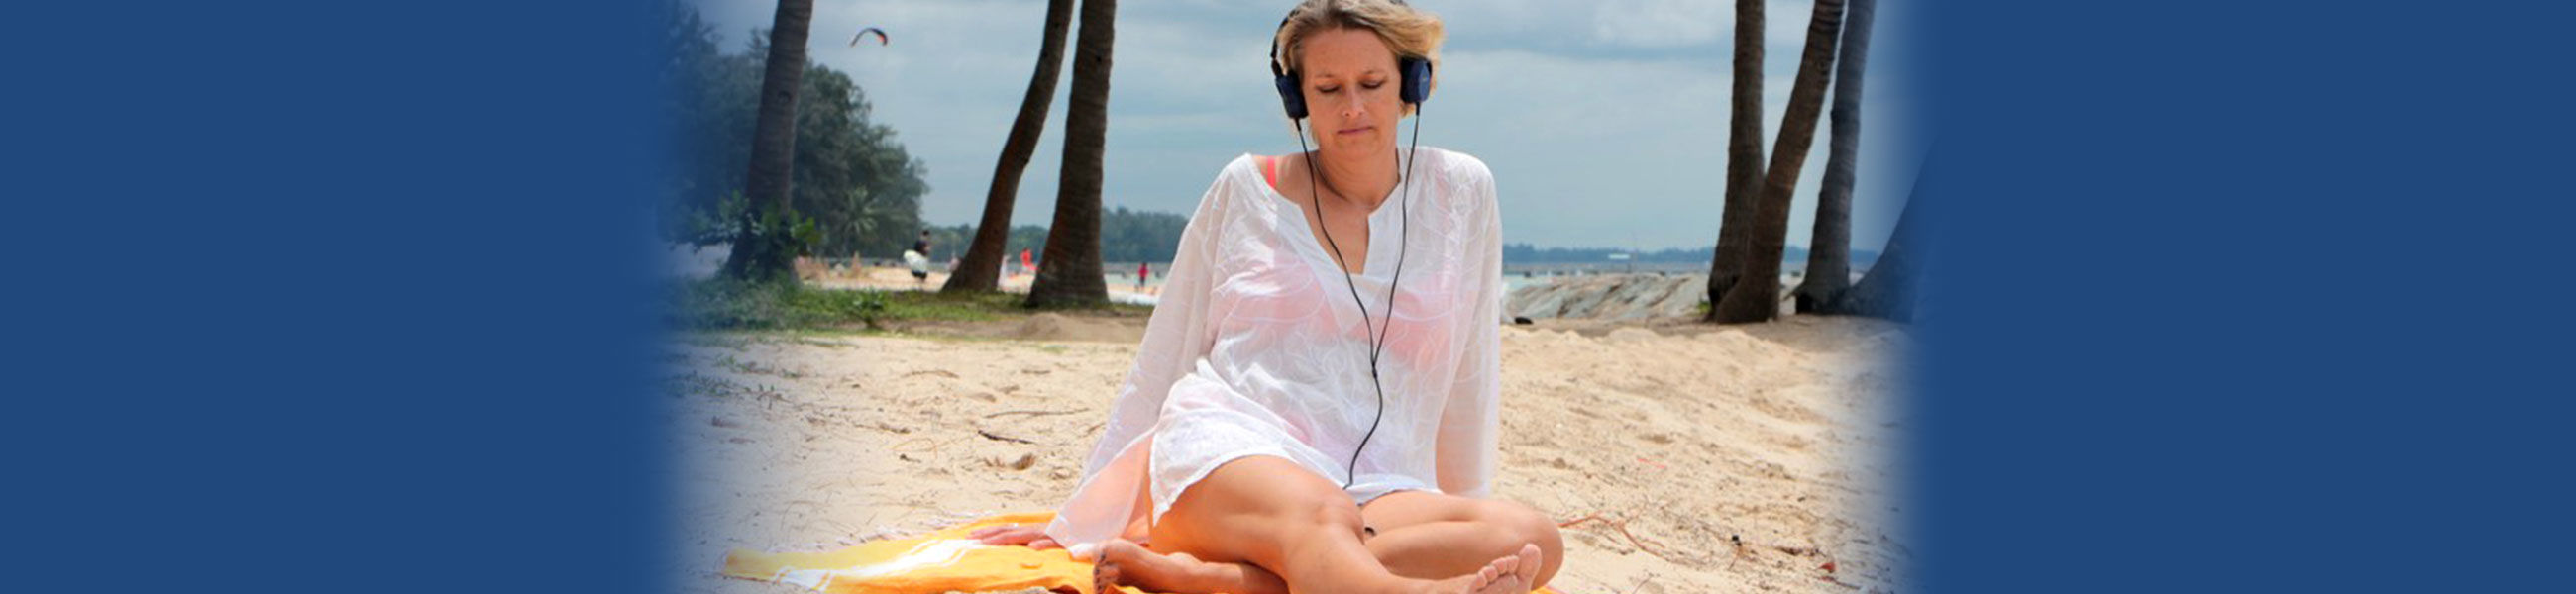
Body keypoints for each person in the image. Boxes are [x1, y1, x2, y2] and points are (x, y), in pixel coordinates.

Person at [973, 3, 1556, 593]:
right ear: (1296, 97)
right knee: (1324, 517)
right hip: (1227, 453)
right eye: (1328, 88)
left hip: (1380, 485)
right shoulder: (1246, 190)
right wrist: (1084, 516)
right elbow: (1166, 350)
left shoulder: (1463, 192)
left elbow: (1469, 371)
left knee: (1532, 536)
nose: (1352, 107)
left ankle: (1228, 582)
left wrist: (1463, 511)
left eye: (1372, 84)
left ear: (1413, 84)